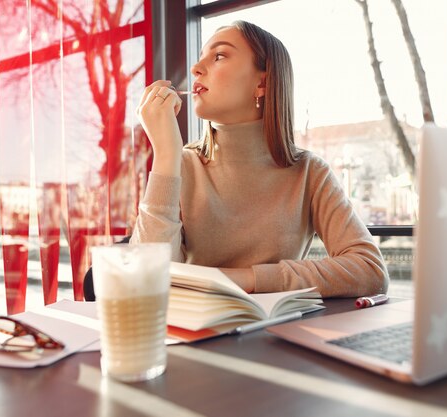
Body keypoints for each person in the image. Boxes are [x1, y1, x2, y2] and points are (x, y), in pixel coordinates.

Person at [132, 20, 388, 298]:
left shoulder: (309, 172)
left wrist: (247, 279)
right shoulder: (180, 166)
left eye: (218, 56)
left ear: (262, 83)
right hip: (192, 333)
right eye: (201, 57)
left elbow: (370, 270)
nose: (196, 68)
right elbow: (145, 279)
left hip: (279, 334)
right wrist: (166, 155)